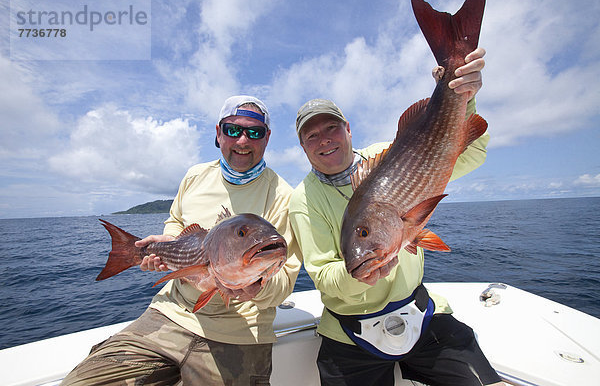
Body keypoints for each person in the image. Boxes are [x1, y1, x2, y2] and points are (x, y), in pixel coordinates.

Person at [289, 48, 505, 386]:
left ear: (348, 129)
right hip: (350, 332)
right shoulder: (302, 199)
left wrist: (464, 95)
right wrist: (357, 277)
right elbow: (324, 274)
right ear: (302, 145)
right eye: (311, 135)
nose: (324, 140)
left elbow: (473, 151)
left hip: (421, 313)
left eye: (331, 127)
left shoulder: (385, 155)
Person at [62, 95, 302, 385]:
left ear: (267, 138)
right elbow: (176, 223)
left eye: (254, 132)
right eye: (232, 130)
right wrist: (167, 245)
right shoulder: (195, 176)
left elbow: (283, 285)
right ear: (218, 132)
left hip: (239, 333)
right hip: (169, 313)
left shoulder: (284, 197)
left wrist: (255, 287)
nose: (242, 140)